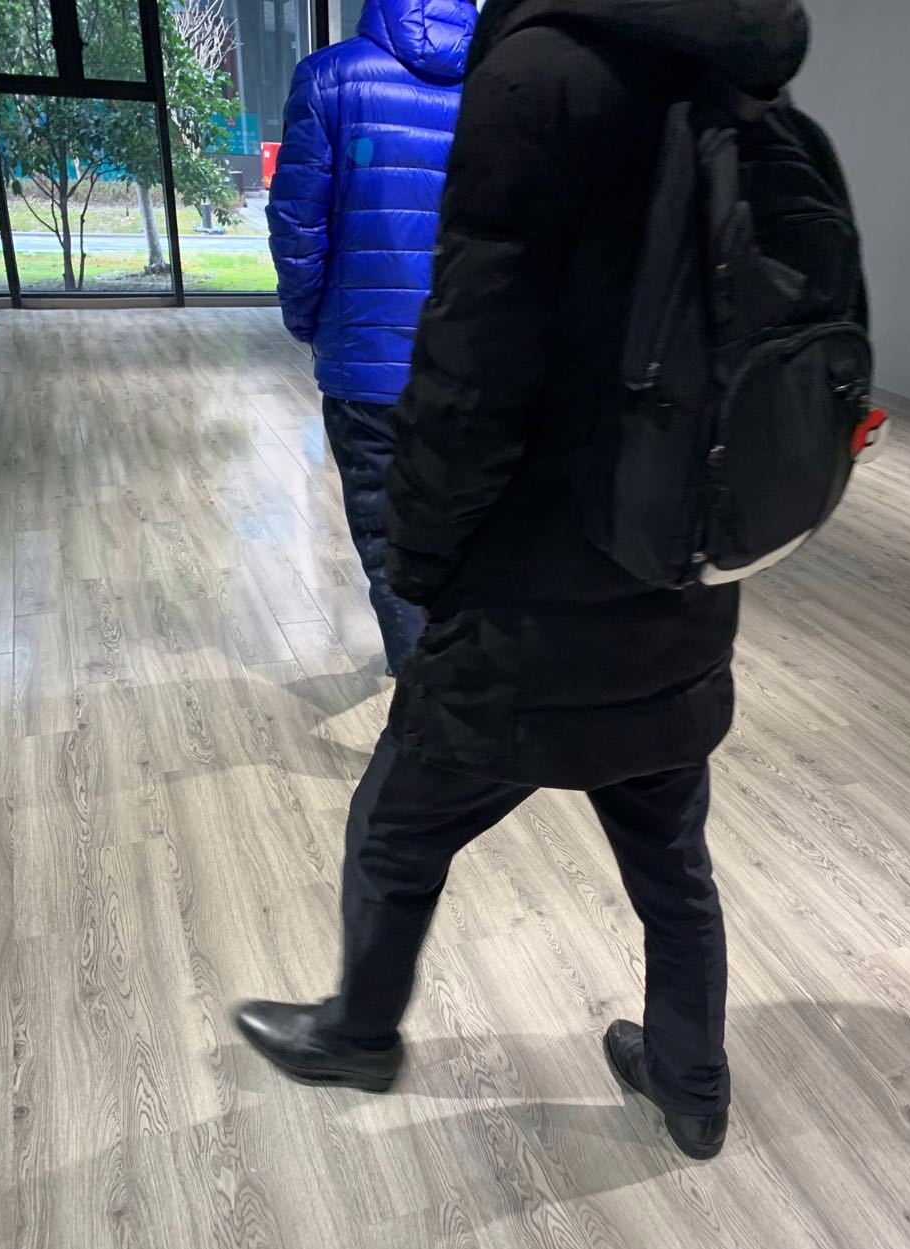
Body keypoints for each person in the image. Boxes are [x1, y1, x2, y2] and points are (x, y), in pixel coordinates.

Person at [238, 0, 810, 1160]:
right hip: (679, 571)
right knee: (672, 864)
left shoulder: (540, 76)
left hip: (528, 592)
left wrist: (422, 559)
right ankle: (692, 1084)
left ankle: (357, 1033)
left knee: (396, 829)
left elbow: (471, 369)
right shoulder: (743, 81)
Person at [266, 0, 478, 675]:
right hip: (472, 364)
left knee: (389, 543)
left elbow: (297, 226)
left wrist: (309, 322)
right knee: (467, 530)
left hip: (366, 364)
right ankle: (459, 680)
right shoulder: (500, 83)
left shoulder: (328, 78)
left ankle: (424, 707)